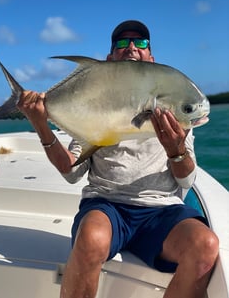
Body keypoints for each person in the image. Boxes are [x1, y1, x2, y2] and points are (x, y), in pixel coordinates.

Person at [18, 20, 219, 298]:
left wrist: (176, 150)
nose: (132, 47)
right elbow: (71, 171)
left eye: (141, 42)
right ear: (110, 57)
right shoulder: (97, 98)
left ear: (151, 56)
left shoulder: (176, 111)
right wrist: (41, 123)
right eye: (122, 43)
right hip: (106, 205)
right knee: (91, 239)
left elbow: (186, 178)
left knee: (205, 245)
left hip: (161, 210)